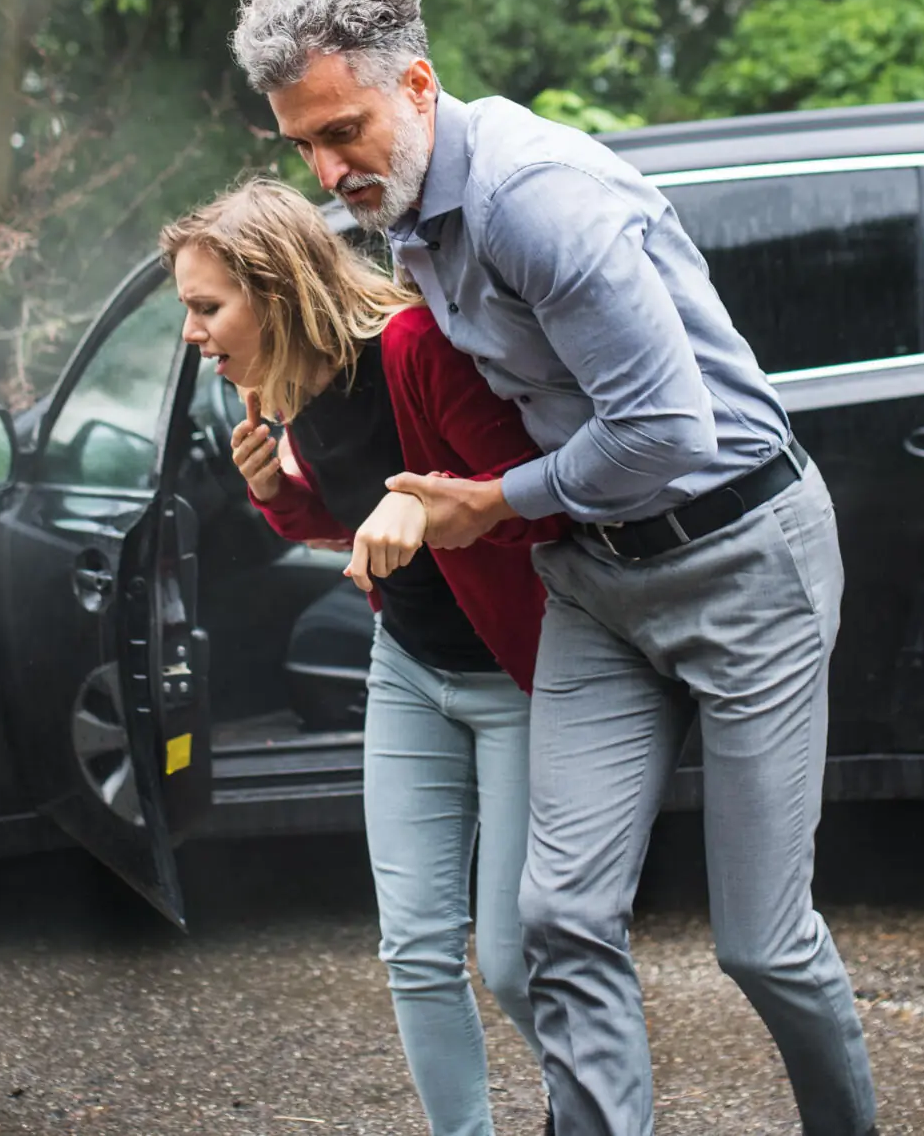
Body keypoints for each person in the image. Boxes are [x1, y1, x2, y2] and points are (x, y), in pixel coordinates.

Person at [229, 0, 880, 1136]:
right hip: (594, 578)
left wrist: (486, 502)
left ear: (417, 86)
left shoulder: (537, 198)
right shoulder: (412, 217)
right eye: (303, 148)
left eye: (343, 132)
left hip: (741, 556)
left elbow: (668, 430)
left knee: (762, 942)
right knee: (556, 922)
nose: (328, 171)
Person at [161, 178, 558, 1136]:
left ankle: (592, 1105)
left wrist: (428, 501)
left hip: (513, 679)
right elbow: (356, 522)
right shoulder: (280, 389)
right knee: (416, 948)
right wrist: (280, 498)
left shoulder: (413, 350)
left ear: (277, 291)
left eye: (206, 306)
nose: (193, 332)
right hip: (410, 668)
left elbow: (531, 501)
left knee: (511, 957)